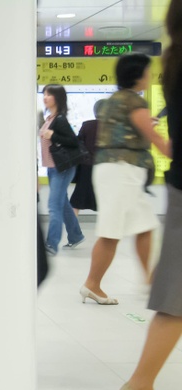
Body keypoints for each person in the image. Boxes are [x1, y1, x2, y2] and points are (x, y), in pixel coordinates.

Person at [118, 0, 182, 390]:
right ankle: (140, 385)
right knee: (176, 299)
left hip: (170, 184)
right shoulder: (134, 100)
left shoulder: (173, 65)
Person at [80, 53, 172, 305]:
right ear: (138, 75)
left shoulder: (115, 100)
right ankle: (92, 283)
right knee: (111, 231)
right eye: (147, 71)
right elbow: (156, 139)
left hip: (117, 171)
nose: (150, 76)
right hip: (122, 172)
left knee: (144, 224)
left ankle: (150, 280)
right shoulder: (133, 101)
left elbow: (131, 129)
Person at [39, 84, 85, 255]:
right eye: (44, 94)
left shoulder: (60, 120)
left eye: (49, 94)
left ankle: (51, 244)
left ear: (57, 98)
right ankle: (76, 235)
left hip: (62, 169)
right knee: (62, 203)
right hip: (53, 167)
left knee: (54, 205)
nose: (45, 97)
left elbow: (73, 141)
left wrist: (53, 135)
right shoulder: (49, 118)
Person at [70, 99, 107, 214]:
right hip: (104, 167)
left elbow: (78, 143)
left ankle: (72, 224)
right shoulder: (111, 127)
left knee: (77, 199)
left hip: (86, 167)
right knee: (105, 199)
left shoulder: (87, 125)